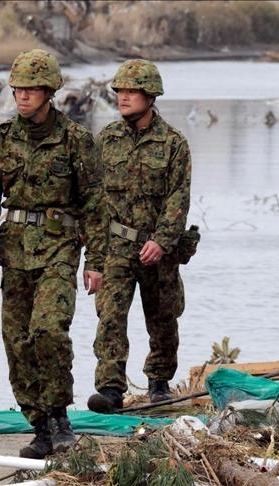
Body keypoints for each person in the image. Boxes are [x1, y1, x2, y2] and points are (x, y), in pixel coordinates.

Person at [0, 49, 108, 459]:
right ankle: (40, 425)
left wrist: (95, 261)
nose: (22, 96)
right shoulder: (1, 139)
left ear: (49, 93)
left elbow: (96, 204)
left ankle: (61, 417)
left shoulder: (75, 140)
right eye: (18, 89)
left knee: (48, 330)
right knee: (18, 342)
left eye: (31, 89)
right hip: (15, 252)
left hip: (59, 251)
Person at [88, 59, 192, 414]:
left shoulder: (173, 143)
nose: (123, 97)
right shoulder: (106, 141)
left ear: (150, 96)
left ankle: (159, 383)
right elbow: (94, 200)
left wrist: (161, 241)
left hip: (157, 247)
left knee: (162, 317)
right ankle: (110, 388)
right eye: (120, 91)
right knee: (110, 316)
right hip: (116, 245)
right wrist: (94, 256)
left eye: (132, 91)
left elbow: (179, 197)